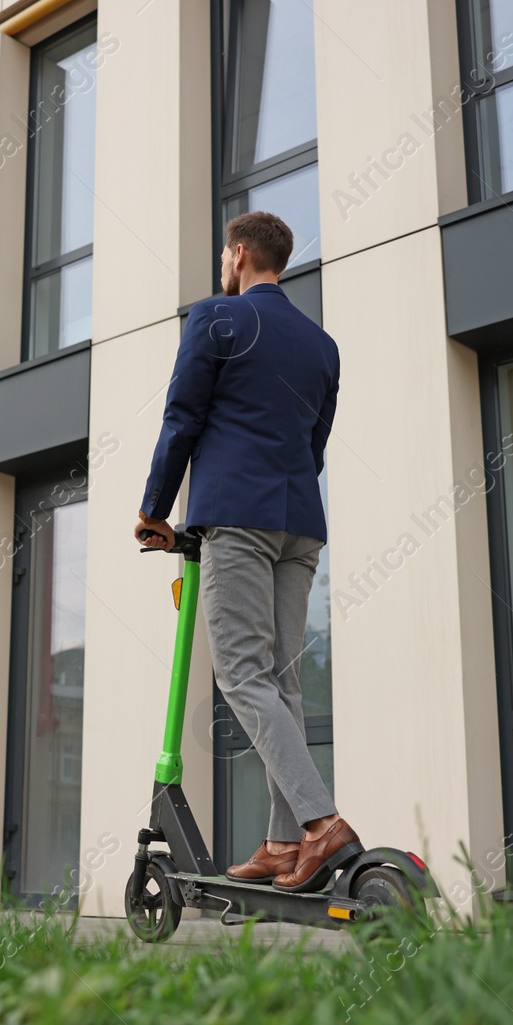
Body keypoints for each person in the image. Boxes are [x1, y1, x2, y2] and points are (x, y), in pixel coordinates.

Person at [134, 211, 362, 893]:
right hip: (299, 523)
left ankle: (320, 822)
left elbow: (182, 419)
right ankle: (281, 840)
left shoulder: (215, 319)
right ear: (279, 261)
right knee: (282, 680)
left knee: (241, 673)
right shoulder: (323, 345)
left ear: (238, 254)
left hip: (236, 517)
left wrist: (154, 508)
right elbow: (313, 447)